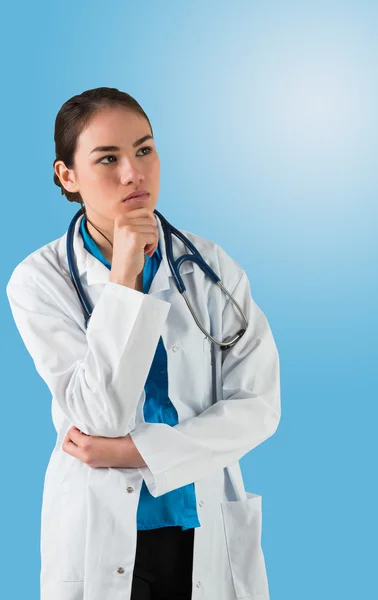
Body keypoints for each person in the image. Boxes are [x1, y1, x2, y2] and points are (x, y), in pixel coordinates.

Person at [5, 87, 281, 600]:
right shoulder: (39, 280)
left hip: (200, 526)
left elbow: (259, 407)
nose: (133, 172)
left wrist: (134, 452)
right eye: (107, 158)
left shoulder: (211, 268)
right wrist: (124, 276)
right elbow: (98, 416)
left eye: (144, 150)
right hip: (100, 529)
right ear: (67, 176)